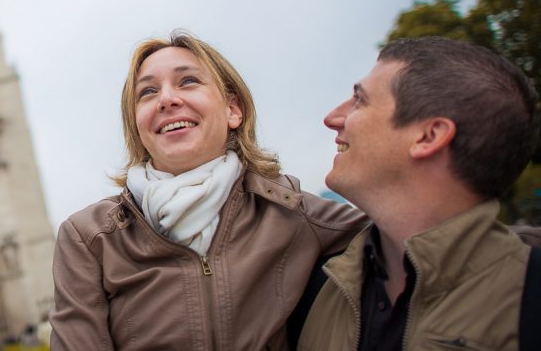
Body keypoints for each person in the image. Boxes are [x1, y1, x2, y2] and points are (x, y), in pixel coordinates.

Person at [50, 31, 367, 349]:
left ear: (233, 110)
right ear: (136, 125)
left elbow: (407, 240)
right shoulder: (89, 238)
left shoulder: (291, 211)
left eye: (187, 82)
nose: (167, 99)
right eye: (147, 91)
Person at [299, 37, 540, 350]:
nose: (332, 118)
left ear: (429, 136)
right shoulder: (317, 288)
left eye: (360, 100)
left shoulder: (530, 299)